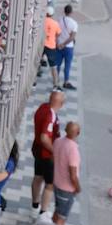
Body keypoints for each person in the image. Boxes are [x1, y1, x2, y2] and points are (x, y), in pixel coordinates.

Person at [31, 88, 64, 216]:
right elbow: (44, 137)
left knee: (38, 177)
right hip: (46, 154)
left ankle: (34, 206)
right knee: (50, 184)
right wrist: (55, 151)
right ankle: (43, 212)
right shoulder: (50, 116)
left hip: (37, 150)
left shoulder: (43, 107)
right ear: (61, 104)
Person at [51, 122, 81, 225]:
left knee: (57, 212)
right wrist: (77, 188)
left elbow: (53, 159)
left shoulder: (57, 141)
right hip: (66, 188)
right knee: (61, 219)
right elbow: (73, 174)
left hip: (57, 183)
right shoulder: (73, 149)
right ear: (78, 133)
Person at [43, 7, 63, 88]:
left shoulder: (42, 21)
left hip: (41, 44)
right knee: (53, 66)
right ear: (52, 14)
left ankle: (33, 83)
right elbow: (59, 33)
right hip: (51, 45)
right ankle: (55, 84)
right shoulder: (55, 23)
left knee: (36, 64)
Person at [60, 4, 79, 91]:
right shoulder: (74, 23)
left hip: (59, 46)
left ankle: (55, 83)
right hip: (68, 47)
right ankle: (66, 82)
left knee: (57, 64)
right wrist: (65, 44)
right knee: (67, 65)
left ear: (64, 11)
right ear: (71, 12)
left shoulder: (60, 20)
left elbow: (57, 33)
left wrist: (60, 43)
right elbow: (72, 37)